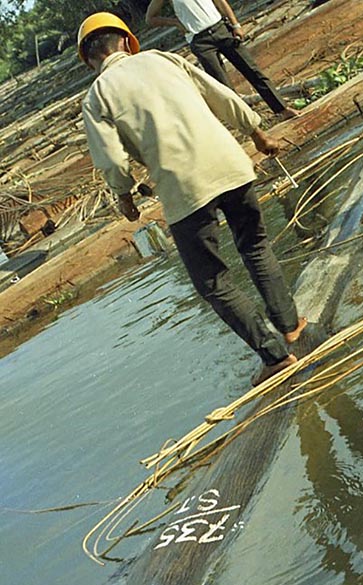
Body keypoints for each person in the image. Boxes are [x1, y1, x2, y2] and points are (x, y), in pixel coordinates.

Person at [78, 12, 307, 385]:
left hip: (184, 189)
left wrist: (124, 196)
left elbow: (112, 158)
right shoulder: (161, 59)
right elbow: (219, 95)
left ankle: (275, 356)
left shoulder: (98, 96)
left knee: (213, 281)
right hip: (230, 164)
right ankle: (290, 324)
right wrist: (257, 133)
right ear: (124, 42)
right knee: (255, 246)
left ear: (90, 60)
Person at [145, 0, 299, 119]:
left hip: (221, 29)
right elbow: (150, 19)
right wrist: (175, 23)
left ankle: (282, 109)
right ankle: (251, 124)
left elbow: (220, 2)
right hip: (200, 41)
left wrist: (236, 24)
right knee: (224, 86)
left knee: (252, 70)